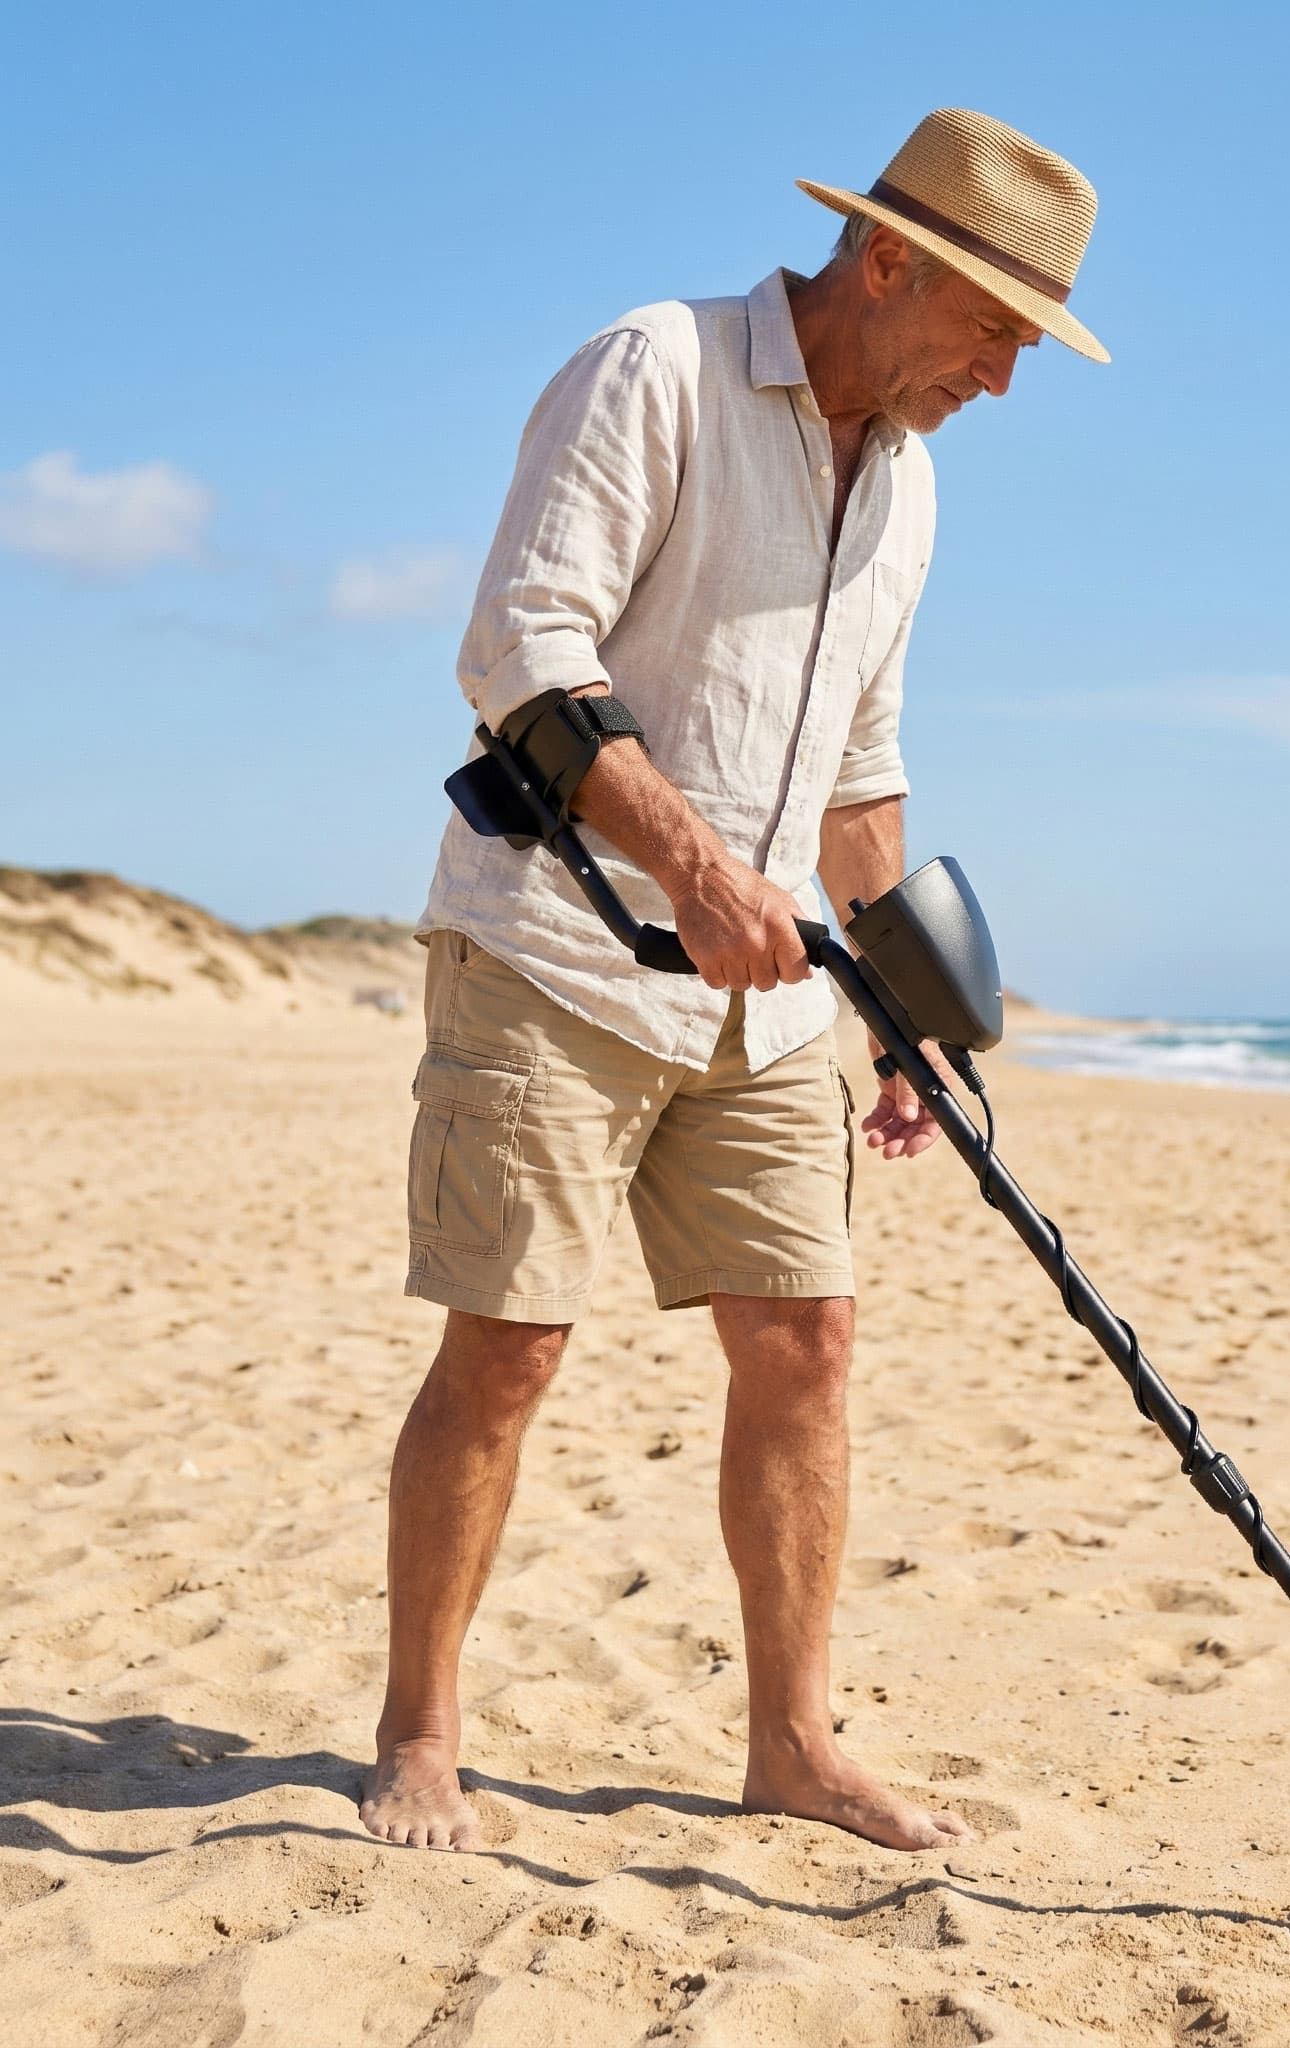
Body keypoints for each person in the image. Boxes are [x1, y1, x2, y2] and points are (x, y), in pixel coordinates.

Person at [360, 109, 1108, 1854]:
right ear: (892, 259)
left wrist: (903, 1008)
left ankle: (793, 1743)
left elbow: (861, 767)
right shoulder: (658, 368)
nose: (1004, 381)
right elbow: (518, 650)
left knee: (810, 1342)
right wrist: (691, 869)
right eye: (997, 333)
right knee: (509, 1353)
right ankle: (419, 1735)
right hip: (555, 955)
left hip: (768, 1006)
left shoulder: (908, 481)